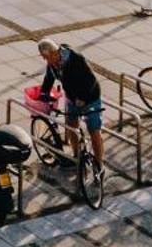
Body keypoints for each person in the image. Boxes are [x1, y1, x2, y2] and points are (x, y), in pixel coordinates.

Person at [37, 38, 104, 173]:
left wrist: (83, 98)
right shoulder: (53, 64)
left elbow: (90, 81)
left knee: (94, 129)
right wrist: (44, 92)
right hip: (72, 98)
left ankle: (99, 165)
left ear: (54, 52)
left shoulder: (76, 59)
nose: (45, 60)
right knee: (71, 125)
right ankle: (77, 156)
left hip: (90, 97)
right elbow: (49, 78)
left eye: (46, 57)